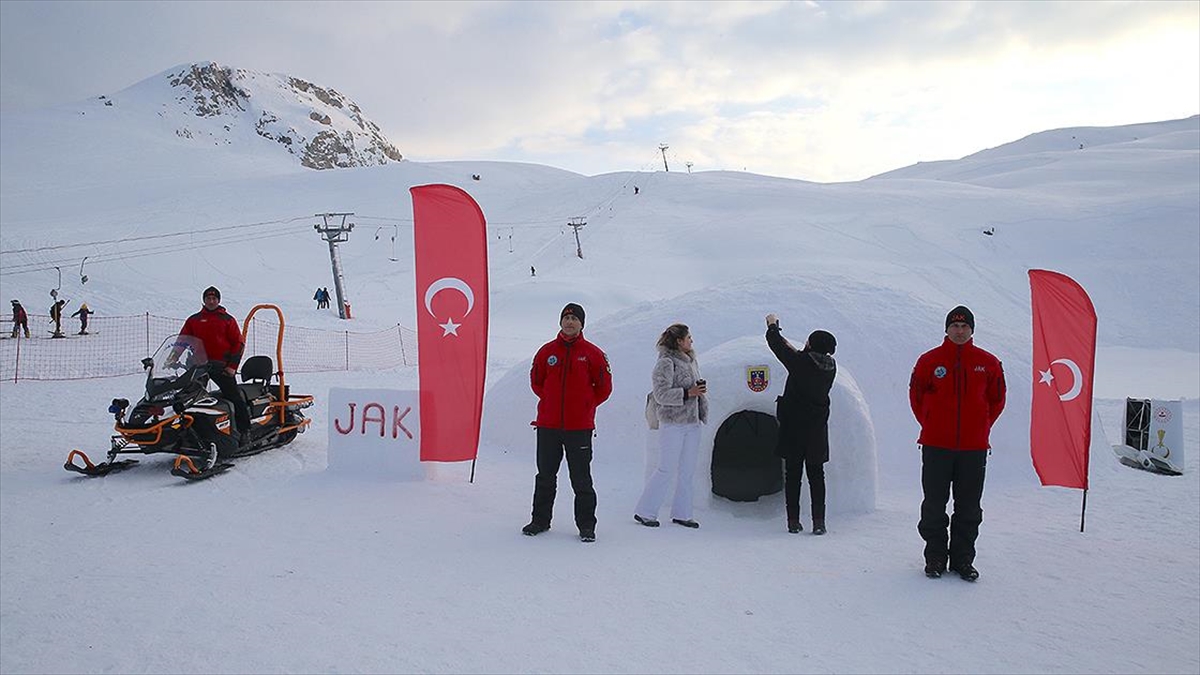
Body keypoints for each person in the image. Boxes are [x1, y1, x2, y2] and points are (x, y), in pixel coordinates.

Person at [909, 305, 1006, 582]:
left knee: (969, 506)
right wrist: (930, 423)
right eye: (955, 326)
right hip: (936, 446)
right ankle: (935, 557)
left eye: (964, 327)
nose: (959, 331)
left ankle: (963, 559)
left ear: (972, 330)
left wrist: (981, 426)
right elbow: (916, 397)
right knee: (934, 505)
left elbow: (997, 400)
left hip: (973, 450)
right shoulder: (929, 361)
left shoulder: (988, 363)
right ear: (947, 329)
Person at [524, 302, 613, 543]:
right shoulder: (546, 352)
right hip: (548, 426)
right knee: (545, 476)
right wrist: (552, 401)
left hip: (579, 428)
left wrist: (585, 405)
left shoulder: (593, 354)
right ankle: (540, 521)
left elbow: (604, 388)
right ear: (560, 322)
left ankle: (586, 526)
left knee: (581, 479)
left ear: (582, 324)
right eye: (566, 318)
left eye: (575, 319)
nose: (570, 322)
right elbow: (537, 382)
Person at [766, 313, 837, 535]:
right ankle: (819, 522)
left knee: (793, 475)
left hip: (794, 429)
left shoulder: (801, 363)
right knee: (817, 476)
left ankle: (793, 521)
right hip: (816, 430)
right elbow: (796, 354)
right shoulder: (830, 366)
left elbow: (779, 347)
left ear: (811, 343)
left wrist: (772, 327)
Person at [634, 323, 708, 529]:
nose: (691, 340)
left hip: (692, 423)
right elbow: (660, 394)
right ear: (678, 341)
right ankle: (645, 511)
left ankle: (682, 513)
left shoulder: (691, 360)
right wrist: (687, 393)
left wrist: (698, 394)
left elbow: (692, 388)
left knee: (687, 470)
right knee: (665, 468)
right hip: (673, 423)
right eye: (688, 337)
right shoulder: (666, 362)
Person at [180, 286, 253, 445]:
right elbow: (182, 341)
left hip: (221, 366)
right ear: (203, 300)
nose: (211, 301)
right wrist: (171, 360)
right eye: (208, 298)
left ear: (218, 300)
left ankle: (244, 430)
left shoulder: (227, 319)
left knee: (233, 397)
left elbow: (238, 344)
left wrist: (232, 366)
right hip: (198, 366)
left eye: (214, 298)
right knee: (189, 398)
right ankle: (189, 431)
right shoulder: (194, 320)